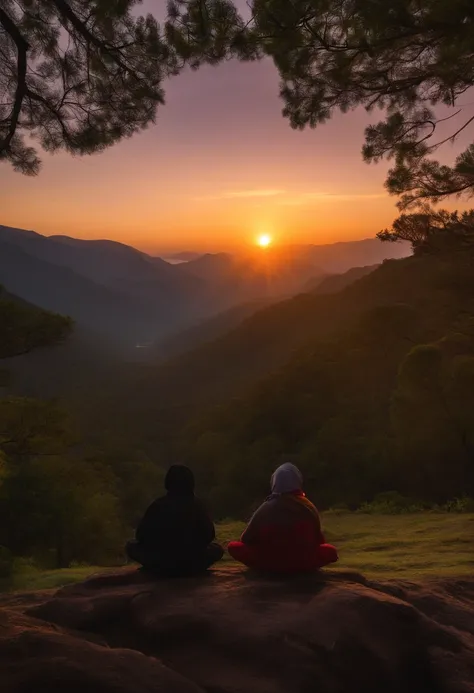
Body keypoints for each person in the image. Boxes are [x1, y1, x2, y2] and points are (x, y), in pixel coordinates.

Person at [227, 462, 338, 573]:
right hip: (302, 562)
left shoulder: (265, 508)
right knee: (330, 551)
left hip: (269, 563)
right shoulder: (309, 507)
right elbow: (319, 541)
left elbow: (245, 539)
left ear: (274, 482)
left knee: (233, 546)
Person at [126, 464, 223, 576]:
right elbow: (209, 535)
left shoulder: (158, 505)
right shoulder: (197, 505)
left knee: (131, 546)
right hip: (193, 562)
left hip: (160, 562)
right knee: (217, 549)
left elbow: (140, 536)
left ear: (168, 483)